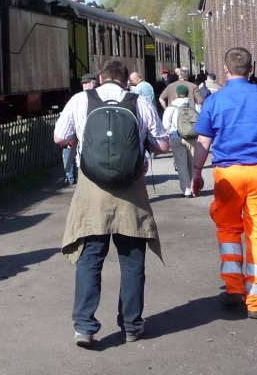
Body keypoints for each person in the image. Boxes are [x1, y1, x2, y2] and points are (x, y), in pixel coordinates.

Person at [54, 59, 169, 348]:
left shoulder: (80, 100)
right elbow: (163, 145)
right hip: (131, 191)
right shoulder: (139, 103)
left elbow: (60, 136)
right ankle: (131, 325)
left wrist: (77, 142)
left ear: (100, 78)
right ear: (125, 81)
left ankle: (84, 326)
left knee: (90, 258)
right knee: (132, 260)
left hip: (91, 189)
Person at [191, 47, 257, 319]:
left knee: (228, 228)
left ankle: (234, 287)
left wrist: (197, 172)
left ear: (225, 70)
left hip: (228, 174)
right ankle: (256, 302)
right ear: (251, 69)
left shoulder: (214, 101)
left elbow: (203, 141)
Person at [161, 84, 197, 197]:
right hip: (192, 137)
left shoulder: (171, 107)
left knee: (181, 165)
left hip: (176, 137)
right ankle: (194, 188)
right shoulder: (194, 105)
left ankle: (186, 191)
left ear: (176, 94)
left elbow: (165, 125)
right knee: (193, 164)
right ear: (187, 94)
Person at [61, 74, 96, 185]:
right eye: (83, 83)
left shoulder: (76, 99)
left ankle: (70, 178)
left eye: (85, 83)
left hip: (81, 141)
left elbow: (60, 134)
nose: (84, 85)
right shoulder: (103, 96)